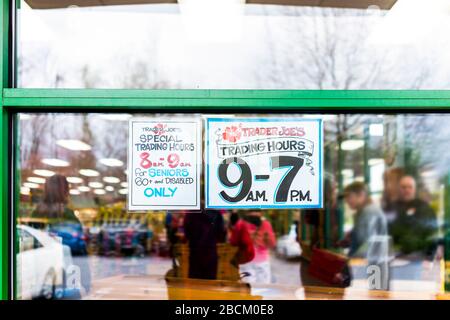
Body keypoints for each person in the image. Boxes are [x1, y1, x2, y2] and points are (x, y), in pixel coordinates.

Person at [32, 174, 91, 298]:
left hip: (40, 273)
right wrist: (85, 281)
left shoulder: (36, 213)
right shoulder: (68, 215)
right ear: (64, 191)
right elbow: (79, 250)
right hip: (65, 274)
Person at [341, 181, 389, 290]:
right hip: (375, 263)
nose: (347, 201)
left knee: (375, 293)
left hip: (373, 265)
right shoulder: (364, 211)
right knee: (376, 292)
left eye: (349, 196)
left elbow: (367, 243)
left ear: (361, 195)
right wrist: (352, 235)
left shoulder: (368, 212)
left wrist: (349, 260)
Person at [389, 175, 440, 259]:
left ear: (414, 189)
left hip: (420, 256)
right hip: (396, 256)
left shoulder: (424, 208)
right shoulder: (392, 208)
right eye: (403, 187)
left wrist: (430, 256)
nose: (407, 190)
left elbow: (432, 235)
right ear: (399, 189)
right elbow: (388, 233)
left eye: (410, 187)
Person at [183, 209, 226, 280]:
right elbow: (220, 233)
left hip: (195, 253)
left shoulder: (190, 213)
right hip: (210, 253)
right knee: (210, 283)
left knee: (195, 282)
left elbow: (187, 234)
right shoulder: (216, 213)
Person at [239, 211, 276, 284]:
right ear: (261, 213)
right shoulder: (266, 224)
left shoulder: (241, 223)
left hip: (246, 260)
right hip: (261, 261)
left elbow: (234, 241)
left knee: (247, 288)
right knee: (262, 288)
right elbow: (272, 243)